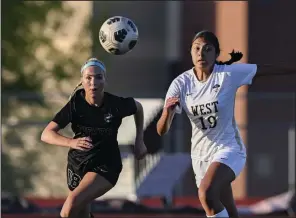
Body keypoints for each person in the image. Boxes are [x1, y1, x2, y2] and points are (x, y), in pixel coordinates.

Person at [156, 30, 296, 218]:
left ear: (216, 53)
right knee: (228, 211)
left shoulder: (227, 74)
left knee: (207, 193)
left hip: (229, 149)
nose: (201, 53)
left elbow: (263, 69)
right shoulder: (180, 84)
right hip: (200, 157)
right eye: (196, 49)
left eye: (207, 49)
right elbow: (161, 130)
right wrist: (168, 112)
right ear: (190, 52)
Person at [41, 58, 147, 218]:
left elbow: (138, 108)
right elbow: (46, 134)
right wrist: (71, 142)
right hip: (77, 165)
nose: (93, 82)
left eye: (98, 77)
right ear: (81, 81)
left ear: (104, 79)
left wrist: (140, 140)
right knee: (80, 213)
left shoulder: (115, 104)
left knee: (69, 207)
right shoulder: (75, 105)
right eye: (88, 77)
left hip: (106, 166)